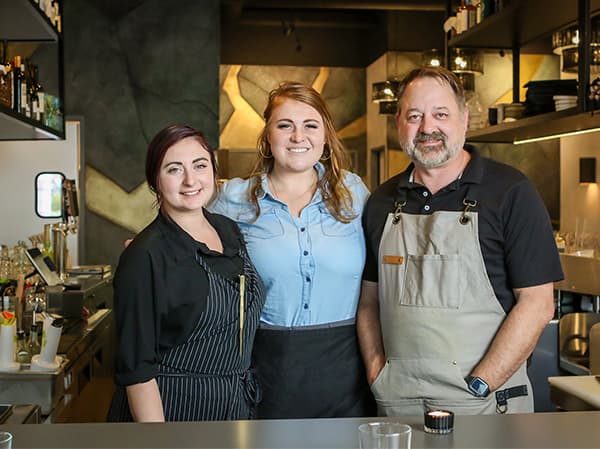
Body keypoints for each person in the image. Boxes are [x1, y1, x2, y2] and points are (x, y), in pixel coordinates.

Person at [357, 66, 563, 416]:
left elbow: (538, 303)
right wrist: (378, 374)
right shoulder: (380, 202)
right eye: (415, 116)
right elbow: (369, 303)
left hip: (486, 405)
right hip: (397, 406)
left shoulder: (511, 192)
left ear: (464, 120)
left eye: (441, 114)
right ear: (398, 123)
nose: (427, 128)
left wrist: (482, 382)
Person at [211, 82, 375, 418]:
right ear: (268, 136)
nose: (298, 137)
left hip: (346, 370)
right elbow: (184, 238)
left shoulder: (355, 193)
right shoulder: (234, 200)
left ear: (325, 135)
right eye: (285, 125)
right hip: (265, 367)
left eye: (310, 125)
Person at [107, 124, 265, 422]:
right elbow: (137, 371)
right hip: (174, 410)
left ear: (213, 171)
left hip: (235, 406)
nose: (191, 180)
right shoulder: (144, 256)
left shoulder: (227, 230)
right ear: (155, 180)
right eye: (174, 169)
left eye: (200, 165)